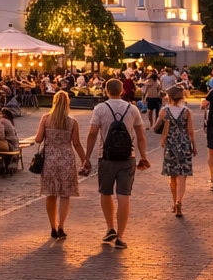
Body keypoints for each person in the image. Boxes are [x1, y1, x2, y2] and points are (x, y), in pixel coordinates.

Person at [81, 78, 150, 250]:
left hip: (106, 156)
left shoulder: (100, 108)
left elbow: (92, 134)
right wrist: (143, 156)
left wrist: (87, 157)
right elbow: (141, 136)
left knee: (105, 192)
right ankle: (120, 236)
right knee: (123, 196)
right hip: (128, 156)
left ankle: (109, 227)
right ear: (122, 91)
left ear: (106, 91)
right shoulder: (132, 109)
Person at [32, 90, 87, 239]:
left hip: (50, 160)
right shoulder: (72, 122)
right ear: (68, 103)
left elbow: (37, 139)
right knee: (65, 195)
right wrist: (84, 160)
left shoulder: (46, 118)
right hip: (67, 160)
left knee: (51, 194)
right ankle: (62, 225)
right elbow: (76, 143)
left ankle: (53, 226)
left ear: (54, 102)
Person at [155, 87, 194, 217]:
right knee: (182, 175)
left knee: (172, 175)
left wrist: (161, 120)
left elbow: (156, 128)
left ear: (169, 97)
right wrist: (194, 146)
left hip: (170, 144)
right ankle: (179, 202)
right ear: (182, 98)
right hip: (184, 144)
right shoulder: (186, 111)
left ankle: (173, 202)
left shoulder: (164, 111)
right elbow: (190, 132)